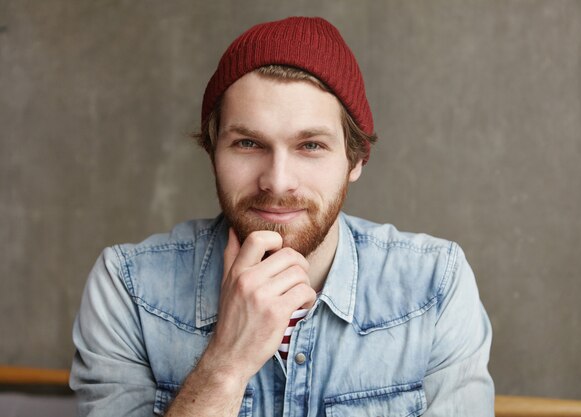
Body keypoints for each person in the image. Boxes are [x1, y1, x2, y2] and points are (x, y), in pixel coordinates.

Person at [71, 16, 494, 417]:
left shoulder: (434, 286)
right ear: (212, 150)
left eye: (310, 145)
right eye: (248, 143)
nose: (277, 181)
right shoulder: (128, 287)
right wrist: (225, 365)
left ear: (356, 158)